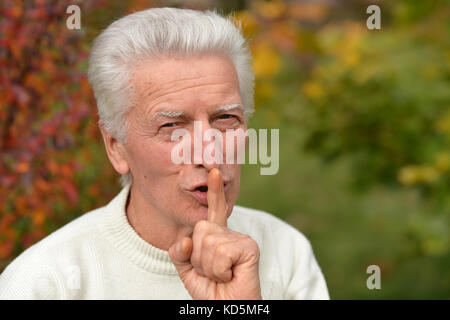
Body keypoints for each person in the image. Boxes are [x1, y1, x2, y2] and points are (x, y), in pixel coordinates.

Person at [0, 7, 329, 300]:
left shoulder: (286, 252)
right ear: (116, 147)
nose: (209, 154)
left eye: (226, 119)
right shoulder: (45, 283)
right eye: (173, 126)